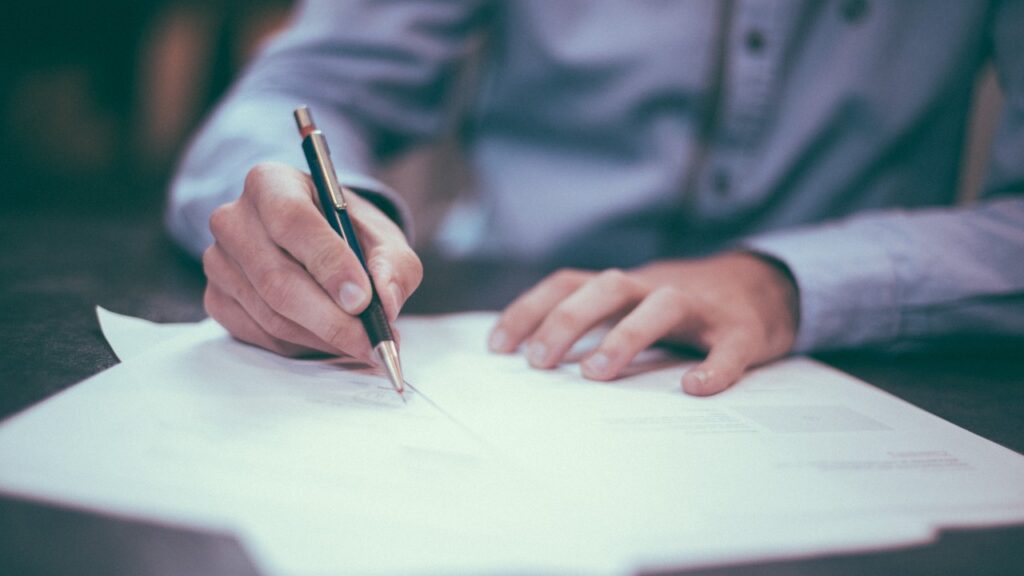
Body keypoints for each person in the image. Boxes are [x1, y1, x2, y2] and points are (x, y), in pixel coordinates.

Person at [167, 1, 1024, 396]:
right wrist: (311, 218)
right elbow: (303, 86)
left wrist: (787, 280)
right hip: (505, 332)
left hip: (870, 365)